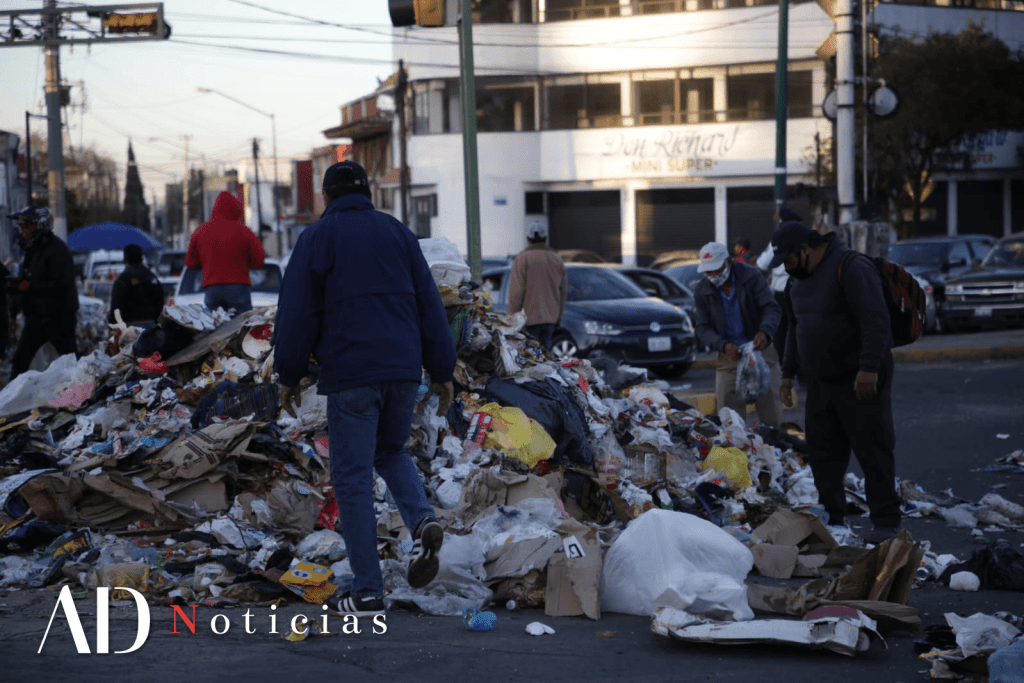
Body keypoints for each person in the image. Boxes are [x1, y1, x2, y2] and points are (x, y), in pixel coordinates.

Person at [274, 161, 456, 618]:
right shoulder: (397, 233)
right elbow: (429, 303)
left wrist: (289, 373)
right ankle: (422, 519)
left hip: (352, 373)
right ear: (368, 191)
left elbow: (297, 311)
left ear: (327, 196)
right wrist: (441, 369)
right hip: (402, 369)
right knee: (391, 451)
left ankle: (369, 591)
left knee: (352, 480)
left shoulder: (316, 238)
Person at [769, 221, 901, 545]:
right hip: (819, 382)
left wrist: (869, 367)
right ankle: (834, 517)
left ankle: (886, 521)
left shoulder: (851, 267)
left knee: (873, 451)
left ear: (805, 249)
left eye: (788, 259)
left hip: (860, 380)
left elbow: (876, 320)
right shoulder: (796, 282)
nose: (786, 267)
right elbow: (794, 329)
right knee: (823, 453)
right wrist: (787, 374)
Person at [692, 241, 783, 427]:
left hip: (760, 349)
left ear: (729, 262)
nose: (713, 275)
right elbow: (702, 328)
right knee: (728, 418)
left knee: (771, 410)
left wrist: (764, 332)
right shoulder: (702, 290)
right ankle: (738, 452)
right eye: (708, 271)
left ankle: (773, 447)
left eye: (716, 270)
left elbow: (771, 308)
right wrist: (722, 345)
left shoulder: (751, 276)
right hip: (728, 355)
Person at [5, 206, 79, 381]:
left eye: (26, 227)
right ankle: (11, 401)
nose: (22, 231)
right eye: (21, 227)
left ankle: (83, 396)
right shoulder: (32, 251)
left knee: (71, 360)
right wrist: (14, 287)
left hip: (58, 317)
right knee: (20, 360)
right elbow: (26, 283)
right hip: (37, 317)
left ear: (39, 226)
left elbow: (62, 283)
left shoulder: (57, 250)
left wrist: (29, 286)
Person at [185, 191, 265, 315]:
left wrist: (208, 263)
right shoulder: (245, 232)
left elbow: (191, 263)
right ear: (236, 209)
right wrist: (242, 263)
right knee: (241, 325)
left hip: (212, 287)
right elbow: (259, 261)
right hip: (239, 286)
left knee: (215, 326)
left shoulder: (200, 231)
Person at [507, 221, 567, 350]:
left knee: (531, 357)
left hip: (529, 319)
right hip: (551, 319)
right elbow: (562, 292)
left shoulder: (522, 259)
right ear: (545, 239)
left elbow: (517, 291)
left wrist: (512, 318)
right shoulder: (557, 259)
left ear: (528, 239)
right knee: (546, 354)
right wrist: (558, 317)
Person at [107, 243, 164, 328]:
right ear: (141, 259)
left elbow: (116, 308)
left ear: (125, 260)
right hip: (151, 326)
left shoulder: (122, 281)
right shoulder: (152, 277)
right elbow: (160, 303)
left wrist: (113, 323)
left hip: (131, 328)